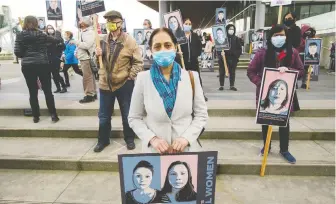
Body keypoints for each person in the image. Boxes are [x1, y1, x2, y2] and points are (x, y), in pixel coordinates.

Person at [128, 27, 208, 154]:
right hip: (155, 152)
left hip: (186, 150)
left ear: (175, 47)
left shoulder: (192, 77)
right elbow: (134, 118)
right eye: (157, 47)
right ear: (151, 50)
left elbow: (201, 115)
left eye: (167, 45)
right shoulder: (142, 79)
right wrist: (152, 139)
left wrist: (186, 138)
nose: (163, 50)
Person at [247, 24, 304, 164]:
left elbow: (301, 70)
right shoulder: (262, 53)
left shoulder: (293, 52)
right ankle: (266, 147)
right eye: (275, 35)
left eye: (282, 35)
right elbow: (251, 71)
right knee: (265, 121)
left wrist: (290, 71)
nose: (279, 38)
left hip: (285, 96)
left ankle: (284, 149)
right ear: (270, 37)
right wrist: (262, 83)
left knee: (284, 123)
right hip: (266, 95)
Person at [94, 10, 143, 152]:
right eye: (107, 20)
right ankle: (103, 140)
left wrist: (130, 76)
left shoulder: (129, 40)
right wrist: (96, 55)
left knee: (127, 114)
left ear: (120, 23)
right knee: (104, 116)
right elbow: (97, 64)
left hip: (124, 84)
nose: (109, 23)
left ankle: (129, 139)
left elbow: (138, 62)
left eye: (112, 20)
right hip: (105, 84)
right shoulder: (102, 40)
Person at [14, 16, 60, 123]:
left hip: (28, 65)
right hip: (42, 64)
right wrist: (57, 32)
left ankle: (36, 116)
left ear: (25, 23)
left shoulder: (20, 35)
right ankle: (53, 115)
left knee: (32, 91)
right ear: (36, 23)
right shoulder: (42, 35)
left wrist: (26, 54)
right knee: (48, 90)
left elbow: (17, 52)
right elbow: (56, 41)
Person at [179, 18, 207, 101]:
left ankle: (201, 95)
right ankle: (183, 96)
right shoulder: (180, 36)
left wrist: (196, 54)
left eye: (189, 24)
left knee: (197, 78)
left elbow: (199, 46)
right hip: (183, 61)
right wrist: (178, 54)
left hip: (193, 61)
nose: (188, 25)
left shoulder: (194, 35)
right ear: (183, 24)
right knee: (182, 79)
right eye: (186, 23)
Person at [71, 17, 97, 103]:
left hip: (86, 58)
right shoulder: (85, 32)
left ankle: (89, 94)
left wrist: (75, 42)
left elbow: (86, 45)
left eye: (81, 21)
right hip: (84, 57)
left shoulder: (89, 32)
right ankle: (93, 93)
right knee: (90, 76)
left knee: (87, 77)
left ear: (84, 23)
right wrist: (77, 52)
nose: (79, 22)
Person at [218, 24, 242, 91]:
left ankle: (232, 85)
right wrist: (220, 54)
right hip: (224, 58)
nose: (231, 30)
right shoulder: (223, 38)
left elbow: (239, 49)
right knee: (222, 72)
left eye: (232, 29)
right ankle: (221, 85)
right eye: (230, 29)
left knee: (232, 72)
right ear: (227, 30)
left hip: (233, 58)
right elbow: (219, 48)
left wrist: (235, 55)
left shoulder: (236, 39)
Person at [45, 24, 67, 93]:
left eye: (51, 28)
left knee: (56, 74)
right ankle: (58, 88)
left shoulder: (57, 38)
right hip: (48, 59)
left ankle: (63, 87)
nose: (50, 29)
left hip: (56, 58)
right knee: (53, 75)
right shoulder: (46, 38)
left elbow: (63, 47)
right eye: (48, 28)